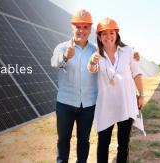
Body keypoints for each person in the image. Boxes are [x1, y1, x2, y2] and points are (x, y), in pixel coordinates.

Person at [87, 17, 145, 163]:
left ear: (117, 34)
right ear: (99, 37)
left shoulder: (128, 51)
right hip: (106, 106)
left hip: (126, 104)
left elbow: (136, 73)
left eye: (111, 33)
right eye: (104, 34)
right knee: (103, 144)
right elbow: (91, 69)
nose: (108, 37)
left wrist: (142, 95)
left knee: (123, 144)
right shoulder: (96, 53)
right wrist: (92, 61)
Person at [51, 9, 97, 163]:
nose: (81, 31)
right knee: (63, 140)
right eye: (78, 26)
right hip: (65, 104)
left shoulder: (96, 50)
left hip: (88, 105)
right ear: (72, 27)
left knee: (84, 140)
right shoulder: (62, 47)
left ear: (90, 29)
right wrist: (65, 56)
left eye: (85, 27)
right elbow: (54, 63)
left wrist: (132, 54)